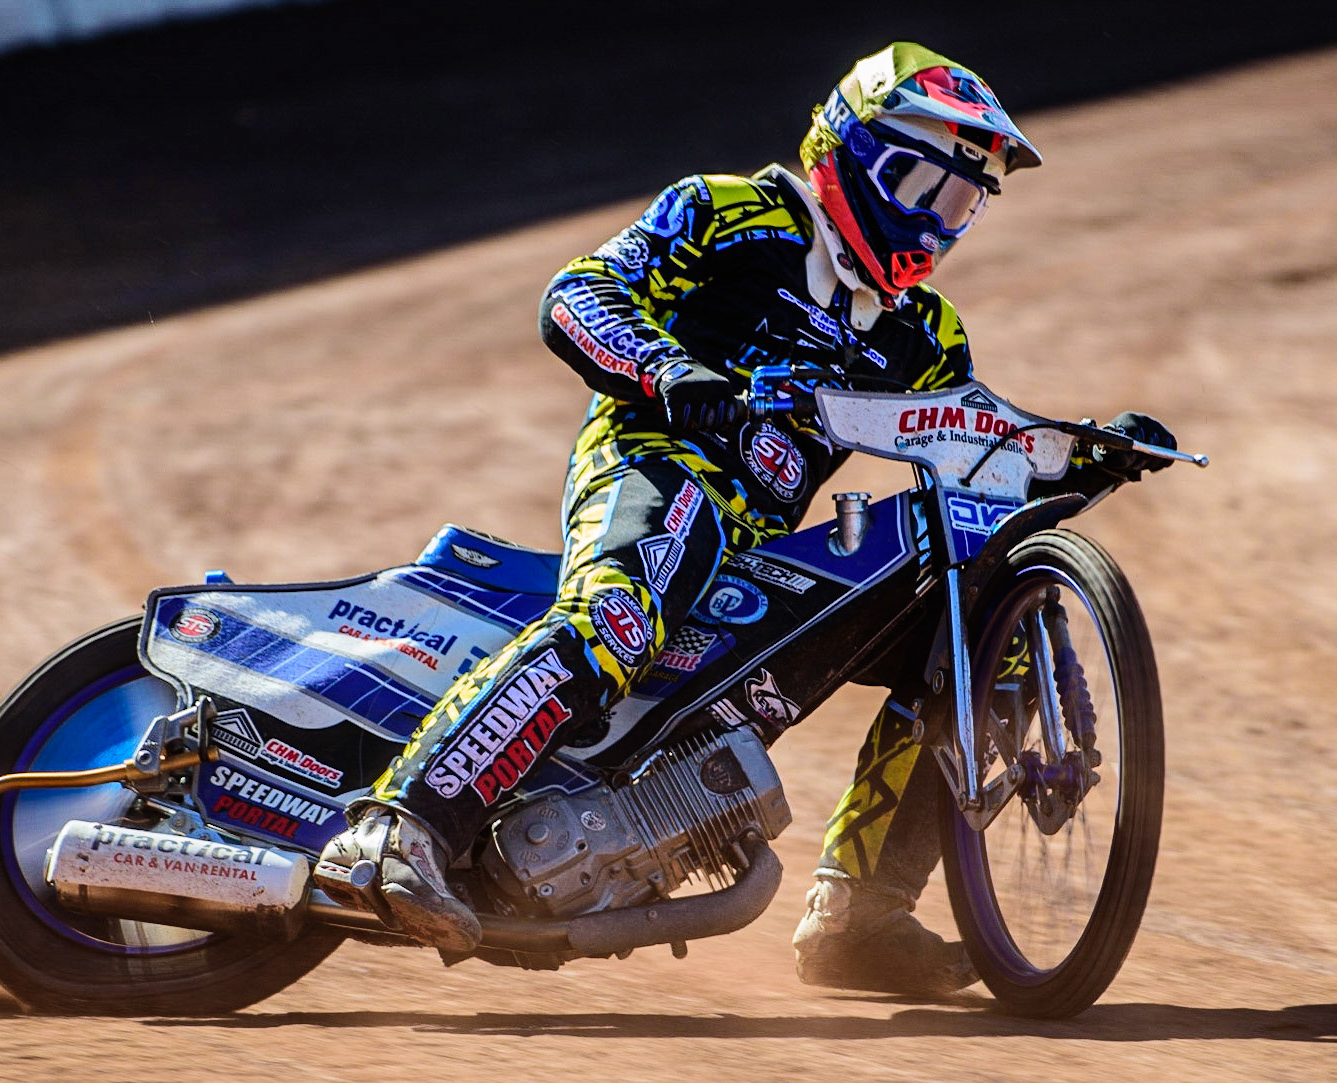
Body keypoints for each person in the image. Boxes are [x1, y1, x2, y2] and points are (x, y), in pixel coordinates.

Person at [317, 42, 1175, 993]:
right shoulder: (730, 213)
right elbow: (577, 294)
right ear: (847, 150)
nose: (935, 225)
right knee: (623, 608)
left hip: (761, 545)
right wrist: (675, 372)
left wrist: (1081, 449)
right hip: (652, 462)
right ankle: (396, 829)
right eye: (920, 185)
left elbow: (972, 441)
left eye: (959, 205)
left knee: (979, 640)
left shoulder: (922, 333)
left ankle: (859, 919)